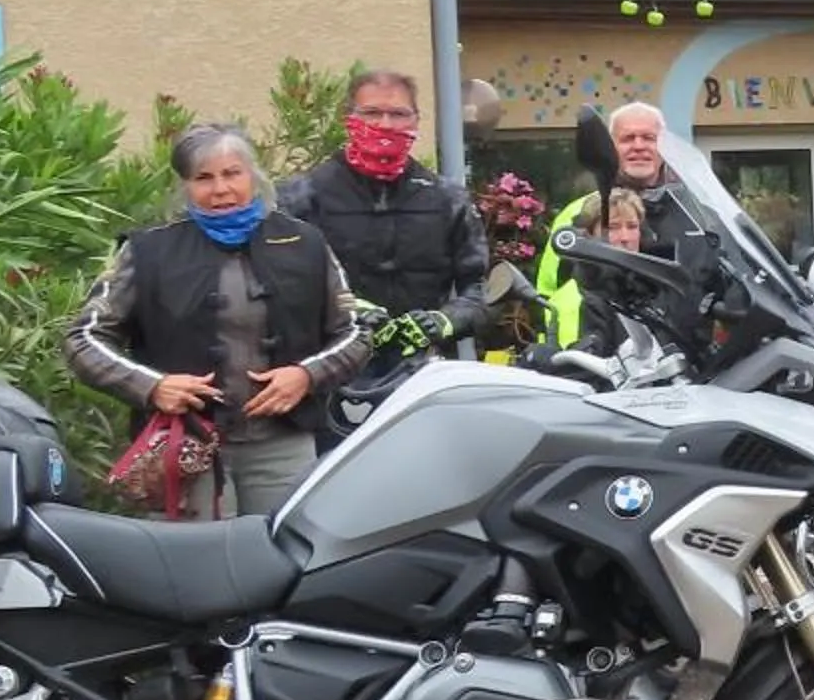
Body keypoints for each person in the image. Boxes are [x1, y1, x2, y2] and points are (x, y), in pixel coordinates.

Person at [66, 125, 371, 519]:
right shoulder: (147, 252)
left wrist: (306, 376)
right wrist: (152, 386)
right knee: (198, 556)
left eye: (232, 173)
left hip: (284, 445)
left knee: (288, 549)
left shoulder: (305, 243)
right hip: (184, 447)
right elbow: (83, 339)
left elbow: (357, 333)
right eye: (204, 178)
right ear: (185, 186)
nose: (221, 189)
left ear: (253, 176)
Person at [276, 70, 490, 430]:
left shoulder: (447, 198)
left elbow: (480, 291)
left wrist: (445, 321)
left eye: (398, 114)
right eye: (372, 113)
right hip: (327, 378)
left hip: (422, 377)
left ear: (416, 120)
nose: (385, 124)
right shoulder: (301, 196)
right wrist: (344, 309)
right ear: (348, 119)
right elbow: (278, 286)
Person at [537, 100, 682, 321]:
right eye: (628, 138)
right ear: (610, 147)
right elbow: (551, 293)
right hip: (601, 338)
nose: (639, 146)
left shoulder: (693, 213)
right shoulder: (579, 213)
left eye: (649, 138)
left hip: (683, 340)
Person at [548, 188, 646, 354]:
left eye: (632, 226)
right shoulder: (575, 298)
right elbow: (575, 363)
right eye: (613, 227)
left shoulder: (650, 289)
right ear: (590, 234)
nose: (625, 237)